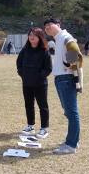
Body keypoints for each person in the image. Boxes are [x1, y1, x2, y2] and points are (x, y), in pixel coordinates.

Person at [43, 17, 83, 155]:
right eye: (45, 26)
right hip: (61, 78)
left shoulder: (65, 36)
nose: (47, 27)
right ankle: (74, 140)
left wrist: (70, 65)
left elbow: (74, 51)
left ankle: (71, 144)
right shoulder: (58, 38)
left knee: (71, 112)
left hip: (66, 78)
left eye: (50, 25)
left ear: (58, 25)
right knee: (69, 112)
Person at [17, 28, 52, 139]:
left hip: (40, 84)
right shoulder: (25, 50)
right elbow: (19, 63)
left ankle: (44, 128)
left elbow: (48, 68)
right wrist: (23, 74)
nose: (32, 37)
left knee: (43, 106)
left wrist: (39, 76)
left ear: (40, 37)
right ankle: (30, 126)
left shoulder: (44, 51)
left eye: (35, 35)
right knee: (28, 105)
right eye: (30, 35)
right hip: (27, 83)